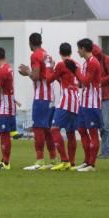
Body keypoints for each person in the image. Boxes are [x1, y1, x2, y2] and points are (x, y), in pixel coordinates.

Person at [18, 32, 58, 170]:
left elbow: (35, 76)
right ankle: (53, 159)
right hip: (51, 97)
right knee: (47, 129)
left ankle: (40, 159)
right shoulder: (47, 54)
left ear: (30, 43)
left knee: (38, 128)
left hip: (41, 97)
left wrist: (26, 71)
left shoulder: (35, 55)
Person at [48, 43, 81, 171]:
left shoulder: (61, 64)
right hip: (76, 101)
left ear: (60, 52)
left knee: (54, 129)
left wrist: (49, 68)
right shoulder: (76, 64)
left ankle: (64, 160)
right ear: (71, 52)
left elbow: (49, 79)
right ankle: (72, 163)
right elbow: (64, 80)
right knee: (71, 132)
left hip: (66, 101)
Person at [73, 38, 103, 172]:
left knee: (93, 133)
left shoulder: (93, 62)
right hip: (83, 101)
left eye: (78, 48)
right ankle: (86, 161)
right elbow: (82, 83)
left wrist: (75, 71)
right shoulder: (85, 63)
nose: (77, 51)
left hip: (92, 103)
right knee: (81, 129)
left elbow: (85, 81)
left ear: (83, 49)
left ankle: (92, 164)